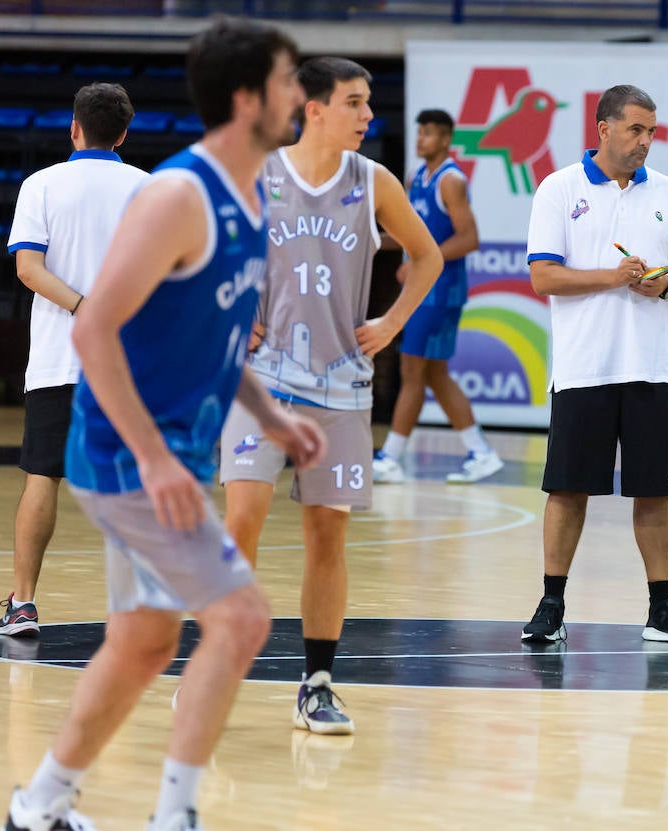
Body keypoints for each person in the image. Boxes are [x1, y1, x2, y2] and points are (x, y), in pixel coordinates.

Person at [0, 19, 321, 831]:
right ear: (248, 98)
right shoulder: (179, 194)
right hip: (124, 457)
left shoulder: (249, 198)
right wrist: (155, 457)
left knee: (142, 643)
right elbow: (93, 329)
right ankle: (175, 814)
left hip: (163, 454)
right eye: (291, 82)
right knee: (241, 618)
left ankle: (37, 805)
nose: (303, 97)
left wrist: (270, 415)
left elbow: (213, 341)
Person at [218, 56, 442, 735]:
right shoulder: (257, 173)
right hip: (261, 381)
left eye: (368, 103)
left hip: (342, 386)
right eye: (355, 102)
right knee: (242, 520)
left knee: (327, 534)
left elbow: (427, 255)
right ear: (313, 109)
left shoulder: (372, 181)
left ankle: (316, 683)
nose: (369, 116)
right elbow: (207, 257)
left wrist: (393, 322)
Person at [521, 84, 668, 646]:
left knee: (655, 491)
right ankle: (551, 604)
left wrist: (666, 285)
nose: (646, 141)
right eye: (636, 129)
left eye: (652, 131)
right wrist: (615, 277)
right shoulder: (559, 188)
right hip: (585, 369)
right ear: (603, 128)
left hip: (655, 368)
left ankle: (661, 609)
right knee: (568, 489)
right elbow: (543, 277)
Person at [0, 82, 148, 637]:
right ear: (124, 133)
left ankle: (24, 604)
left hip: (61, 360)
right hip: (128, 364)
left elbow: (29, 270)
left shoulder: (42, 185)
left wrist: (85, 307)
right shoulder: (148, 189)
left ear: (74, 127)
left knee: (42, 478)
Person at [373, 108, 503, 485]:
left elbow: (469, 238)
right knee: (432, 374)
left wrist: (419, 263)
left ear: (446, 139)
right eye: (420, 132)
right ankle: (480, 452)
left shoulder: (451, 181)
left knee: (412, 370)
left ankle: (391, 456)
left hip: (441, 291)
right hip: (423, 288)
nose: (421, 139)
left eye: (429, 133)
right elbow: (415, 234)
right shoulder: (416, 178)